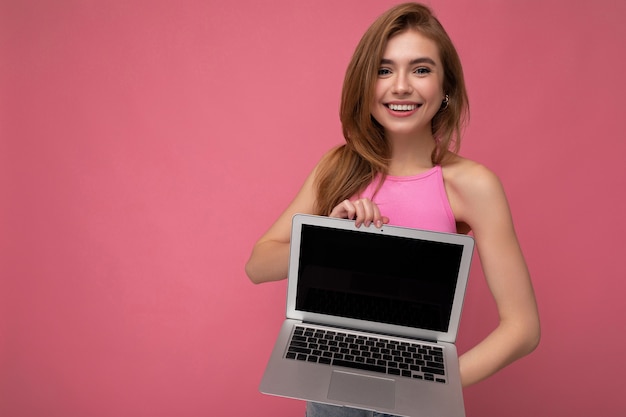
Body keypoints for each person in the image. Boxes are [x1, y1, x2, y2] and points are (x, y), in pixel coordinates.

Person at [245, 2, 540, 416]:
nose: (400, 86)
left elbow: (523, 329)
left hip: (417, 400)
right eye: (384, 70)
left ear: (446, 87)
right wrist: (330, 238)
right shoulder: (337, 166)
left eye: (420, 70)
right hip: (332, 391)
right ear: (364, 86)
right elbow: (257, 265)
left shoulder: (473, 185)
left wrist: (432, 383)